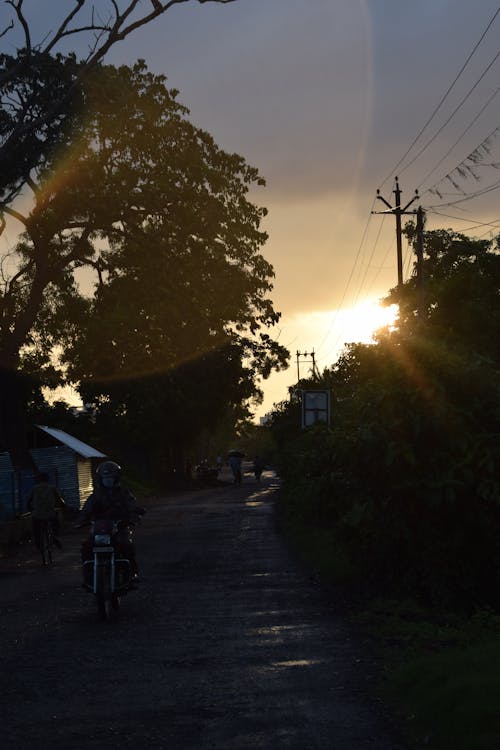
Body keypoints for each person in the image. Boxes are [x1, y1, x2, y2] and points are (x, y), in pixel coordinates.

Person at [78, 460, 145, 582]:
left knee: (127, 546)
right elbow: (86, 509)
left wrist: (134, 516)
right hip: (100, 529)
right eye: (105, 477)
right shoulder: (96, 495)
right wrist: (81, 521)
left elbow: (132, 505)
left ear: (116, 478)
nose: (108, 480)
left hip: (119, 528)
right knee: (86, 547)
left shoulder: (124, 493)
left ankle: (132, 573)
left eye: (110, 477)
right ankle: (88, 575)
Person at [28, 472, 66, 550]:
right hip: (50, 513)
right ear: (47, 479)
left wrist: (31, 509)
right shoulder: (52, 488)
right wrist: (63, 506)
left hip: (37, 514)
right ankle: (55, 537)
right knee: (56, 524)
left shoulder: (34, 489)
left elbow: (29, 501)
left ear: (38, 480)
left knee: (36, 530)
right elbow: (60, 500)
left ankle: (38, 545)